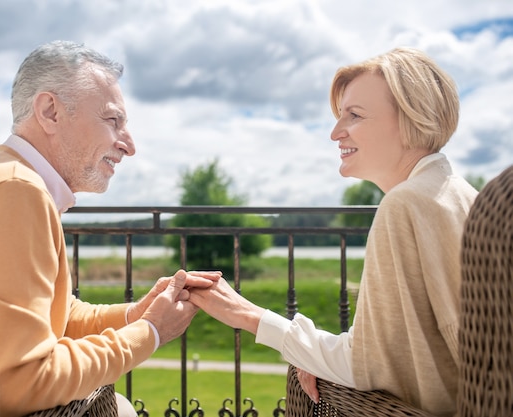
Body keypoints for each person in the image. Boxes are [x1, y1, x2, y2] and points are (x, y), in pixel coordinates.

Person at [188, 47, 478, 416]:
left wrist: (246, 314)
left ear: (411, 119)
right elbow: (400, 355)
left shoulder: (405, 205)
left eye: (354, 116)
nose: (334, 132)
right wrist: (318, 358)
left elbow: (367, 366)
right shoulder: (460, 196)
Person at [0, 40, 221, 417]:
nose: (129, 146)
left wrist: (137, 314)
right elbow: (18, 379)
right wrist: (149, 333)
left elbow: (58, 319)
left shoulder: (1, 178)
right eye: (112, 120)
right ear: (50, 111)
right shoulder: (17, 192)